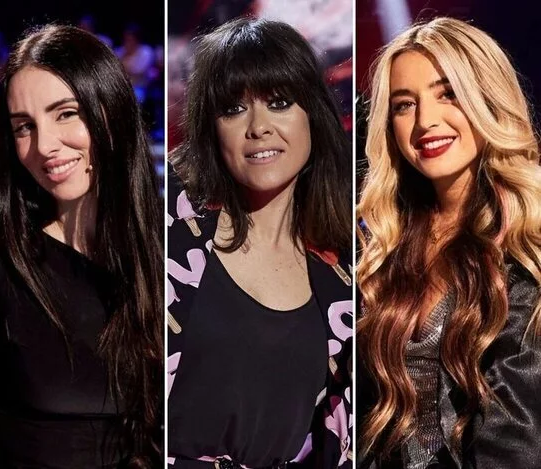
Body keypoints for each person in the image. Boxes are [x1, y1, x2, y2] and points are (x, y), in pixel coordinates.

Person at [167, 17, 353, 468]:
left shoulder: (346, 266)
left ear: (312, 114)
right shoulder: (168, 228)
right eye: (233, 109)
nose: (258, 127)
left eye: (279, 102)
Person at [357, 17, 541, 469]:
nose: (425, 121)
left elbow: (515, 438)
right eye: (404, 105)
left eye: (449, 94)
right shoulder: (382, 245)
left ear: (488, 100)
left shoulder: (526, 243)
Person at [0, 24, 163, 468]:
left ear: (110, 110)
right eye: (24, 127)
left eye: (65, 114)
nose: (44, 146)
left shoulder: (165, 247)